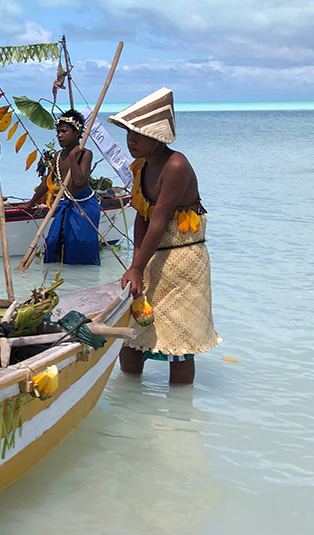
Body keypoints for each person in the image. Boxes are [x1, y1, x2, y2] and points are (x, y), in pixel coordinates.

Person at [110, 88, 220, 384]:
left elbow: (160, 220)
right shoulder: (142, 166)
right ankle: (130, 399)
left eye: (137, 134)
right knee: (132, 335)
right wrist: (136, 265)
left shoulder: (176, 165)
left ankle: (180, 417)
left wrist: (136, 267)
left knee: (179, 342)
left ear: (156, 136)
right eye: (128, 134)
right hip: (151, 254)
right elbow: (142, 217)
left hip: (184, 260)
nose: (130, 140)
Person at [30, 110, 101, 265]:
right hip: (67, 205)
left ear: (77, 133)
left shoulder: (85, 154)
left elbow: (79, 180)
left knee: (80, 250)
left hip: (85, 207)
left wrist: (72, 158)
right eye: (58, 132)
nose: (59, 135)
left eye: (64, 131)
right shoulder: (57, 157)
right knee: (53, 243)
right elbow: (46, 183)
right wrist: (30, 204)